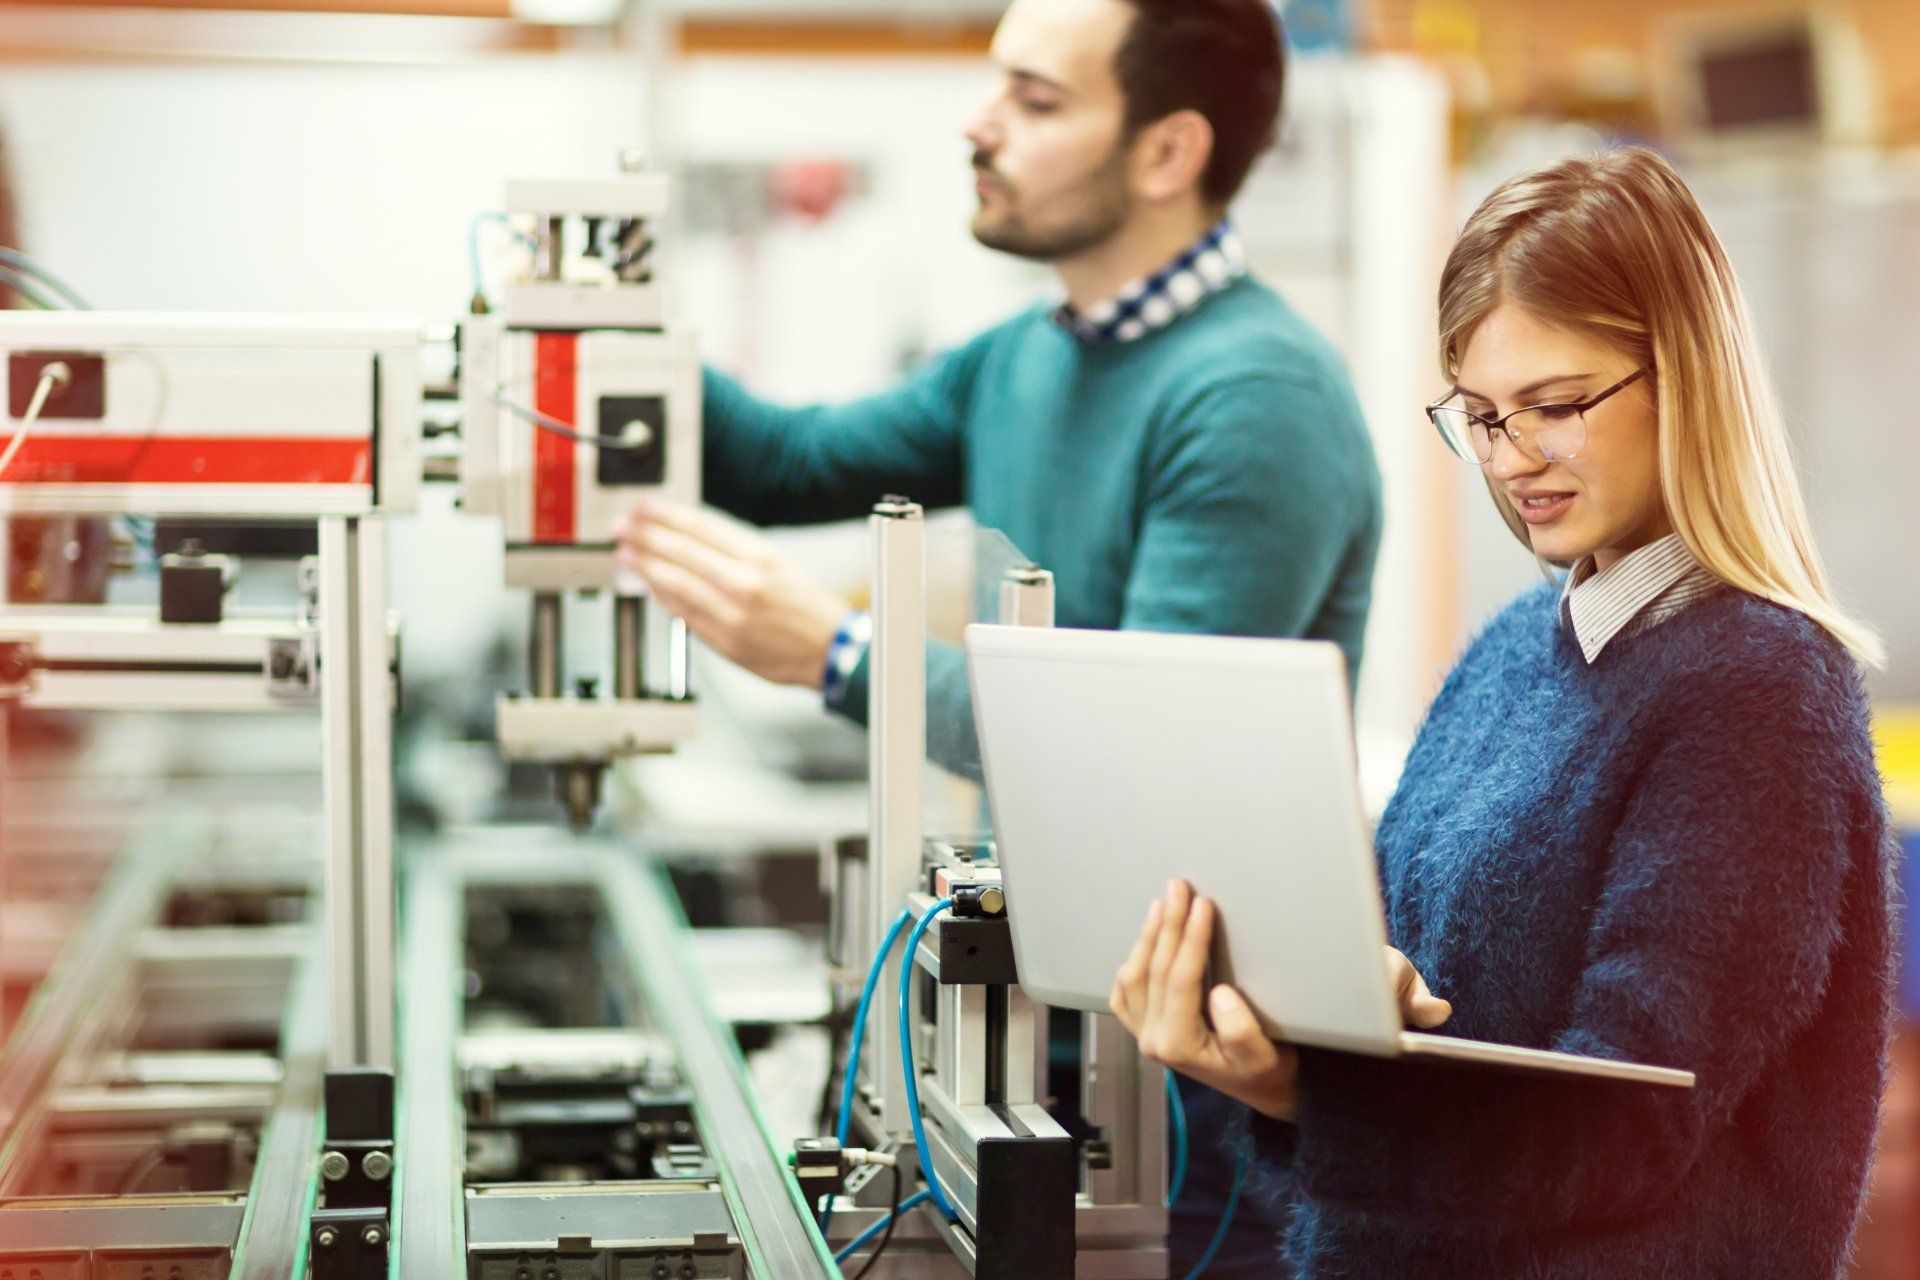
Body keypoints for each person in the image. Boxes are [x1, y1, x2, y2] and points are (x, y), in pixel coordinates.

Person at [615, 0, 1381, 1268]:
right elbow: (783, 460)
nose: (977, 124)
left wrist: (839, 653)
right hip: (1030, 1041)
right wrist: (599, 318)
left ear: (1165, 153)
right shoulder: (1022, 357)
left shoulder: (1256, 398)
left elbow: (1137, 745)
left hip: (1193, 1106)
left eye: (1035, 100)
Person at [1110, 145, 1895, 1277]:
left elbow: (1624, 1126)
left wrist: (1312, 1089)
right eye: (1480, 416)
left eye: (1557, 406)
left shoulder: (1757, 690)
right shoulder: (1513, 649)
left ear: (1686, 375)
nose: (1512, 459)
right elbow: (1415, 1022)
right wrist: (1301, 1019)